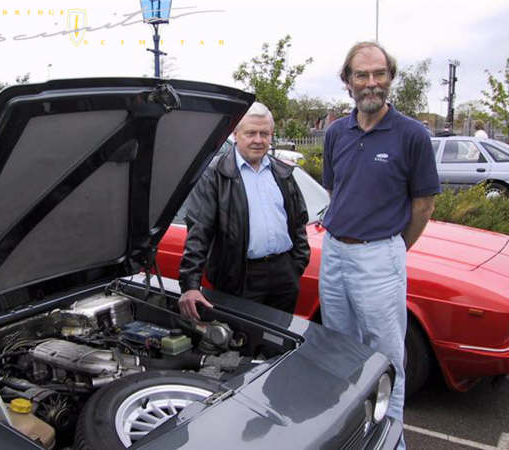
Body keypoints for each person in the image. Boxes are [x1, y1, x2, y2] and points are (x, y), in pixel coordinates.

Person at [319, 41, 440, 450]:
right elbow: (334, 190)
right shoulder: (335, 132)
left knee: (387, 359)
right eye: (362, 75)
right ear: (347, 81)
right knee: (339, 351)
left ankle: (391, 441)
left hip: (379, 257)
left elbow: (423, 206)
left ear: (390, 77)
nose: (372, 83)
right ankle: (351, 436)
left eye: (379, 74)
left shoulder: (412, 135)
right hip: (334, 254)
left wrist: (391, 249)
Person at [178, 102, 310, 320]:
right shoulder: (215, 175)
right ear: (236, 134)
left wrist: (295, 267)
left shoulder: (283, 173)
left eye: (264, 133)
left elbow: (298, 222)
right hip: (239, 278)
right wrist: (190, 285)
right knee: (242, 346)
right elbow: (199, 232)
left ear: (271, 135)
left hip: (284, 275)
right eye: (251, 133)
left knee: (279, 343)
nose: (258, 140)